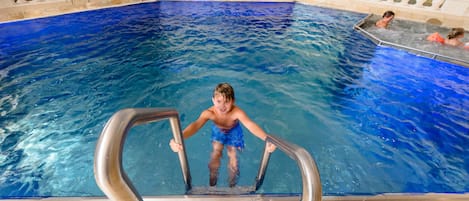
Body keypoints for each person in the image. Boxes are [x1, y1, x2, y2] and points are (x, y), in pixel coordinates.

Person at [169, 83, 276, 187]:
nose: (222, 106)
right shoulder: (209, 113)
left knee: (233, 161)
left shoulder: (237, 112)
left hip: (233, 132)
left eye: (227, 102)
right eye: (219, 101)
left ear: (233, 101)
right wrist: (179, 138)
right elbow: (195, 126)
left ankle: (232, 186)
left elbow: (250, 125)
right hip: (218, 132)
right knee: (214, 158)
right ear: (213, 100)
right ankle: (212, 185)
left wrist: (267, 138)